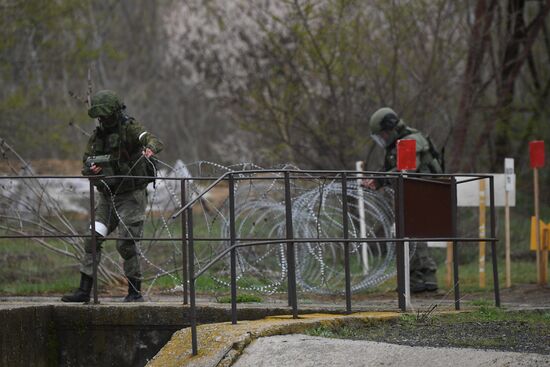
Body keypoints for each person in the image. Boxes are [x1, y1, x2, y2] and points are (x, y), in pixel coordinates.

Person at [62, 90, 163, 303]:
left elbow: (151, 139)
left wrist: (150, 149)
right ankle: (83, 291)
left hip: (131, 197)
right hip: (107, 199)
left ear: (116, 112)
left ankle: (135, 292)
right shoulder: (97, 138)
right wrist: (92, 170)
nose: (103, 120)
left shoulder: (130, 129)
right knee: (92, 239)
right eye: (100, 117)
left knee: (126, 243)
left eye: (106, 116)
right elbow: (86, 164)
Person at [364, 107, 442, 293]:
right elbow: (395, 168)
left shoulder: (410, 141)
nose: (382, 140)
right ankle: (419, 280)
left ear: (390, 129)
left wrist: (379, 180)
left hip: (424, 193)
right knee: (410, 235)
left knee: (412, 235)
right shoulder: (399, 144)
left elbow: (406, 170)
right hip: (414, 193)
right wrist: (376, 180)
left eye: (382, 135)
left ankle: (422, 279)